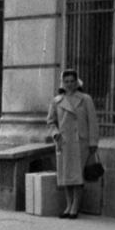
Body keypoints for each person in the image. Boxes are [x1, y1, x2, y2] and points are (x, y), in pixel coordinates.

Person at [45, 69, 99, 218]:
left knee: (77, 176)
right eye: (66, 81)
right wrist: (55, 134)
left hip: (80, 143)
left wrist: (93, 142)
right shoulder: (56, 101)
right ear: (63, 83)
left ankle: (75, 206)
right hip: (63, 143)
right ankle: (68, 206)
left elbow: (93, 122)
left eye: (72, 81)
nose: (69, 84)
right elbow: (50, 122)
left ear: (77, 82)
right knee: (65, 176)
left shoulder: (85, 99)